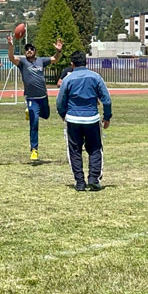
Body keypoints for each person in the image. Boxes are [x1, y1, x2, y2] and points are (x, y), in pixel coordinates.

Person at [57, 51, 112, 191]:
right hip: (92, 119)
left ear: (72, 64)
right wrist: (107, 117)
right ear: (86, 63)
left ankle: (80, 181)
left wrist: (63, 114)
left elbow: (60, 101)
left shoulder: (68, 79)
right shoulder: (95, 77)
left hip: (73, 119)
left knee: (74, 150)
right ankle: (93, 178)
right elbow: (106, 99)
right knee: (95, 149)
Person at [7, 36, 63, 161]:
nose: (29, 50)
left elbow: (55, 59)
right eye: (26, 49)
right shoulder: (22, 63)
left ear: (35, 51)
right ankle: (34, 149)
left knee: (46, 115)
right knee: (34, 123)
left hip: (43, 97)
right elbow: (11, 58)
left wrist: (59, 51)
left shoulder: (41, 61)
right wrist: (10, 45)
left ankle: (30, 112)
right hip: (31, 98)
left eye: (31, 49)